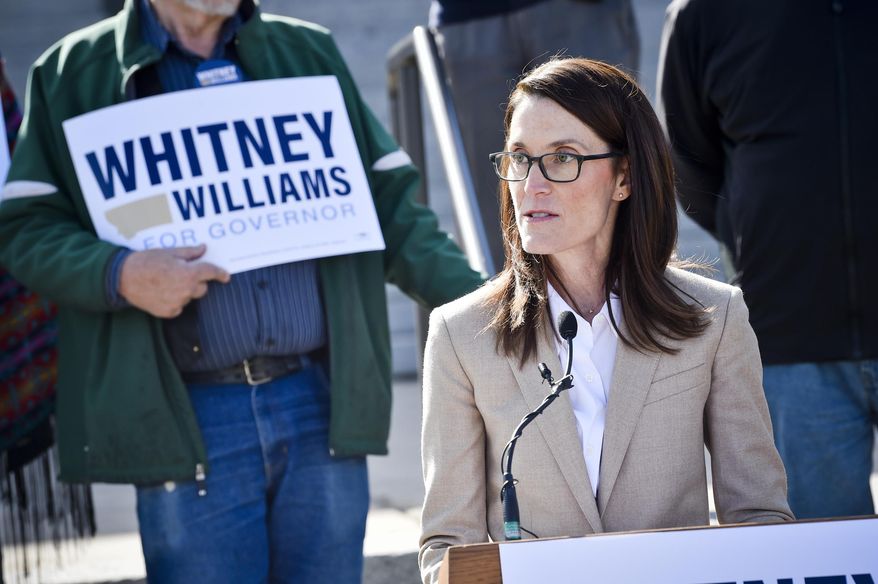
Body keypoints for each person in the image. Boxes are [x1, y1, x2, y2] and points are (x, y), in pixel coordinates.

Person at [0, 0, 483, 582]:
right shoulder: (72, 71)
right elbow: (26, 228)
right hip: (188, 419)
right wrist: (119, 273)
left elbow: (395, 214)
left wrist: (494, 311)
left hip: (321, 404)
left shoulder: (306, 51)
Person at [418, 58, 793, 583]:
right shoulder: (460, 335)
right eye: (521, 158)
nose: (532, 184)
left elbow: (760, 520)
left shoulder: (715, 316)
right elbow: (447, 546)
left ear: (625, 177)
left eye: (563, 159)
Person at [657, 0, 878, 519]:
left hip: (789, 329)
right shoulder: (703, 15)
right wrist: (754, 235)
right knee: (824, 561)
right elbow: (687, 161)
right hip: (790, 334)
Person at [429, 0, 641, 271]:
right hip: (470, 18)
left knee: (617, 181)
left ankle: (639, 306)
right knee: (495, 223)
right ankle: (510, 313)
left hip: (579, 11)